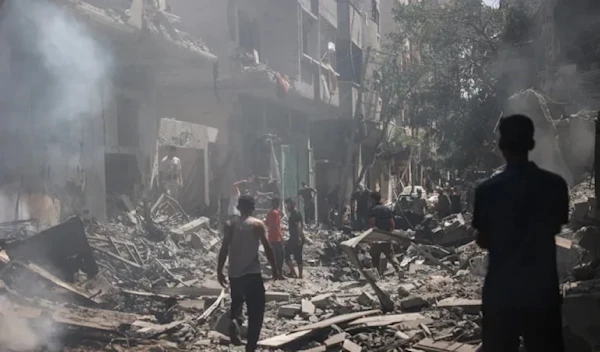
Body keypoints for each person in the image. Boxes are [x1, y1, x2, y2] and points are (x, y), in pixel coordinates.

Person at [473, 114, 569, 352]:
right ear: (531, 144)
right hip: (542, 292)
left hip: (501, 294)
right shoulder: (555, 185)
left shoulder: (487, 191)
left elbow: (483, 240)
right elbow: (556, 227)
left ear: (501, 146)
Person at [217, 195, 280, 352]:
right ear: (252, 208)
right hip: (252, 273)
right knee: (256, 310)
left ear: (238, 208)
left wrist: (219, 270)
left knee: (237, 303)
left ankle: (236, 322)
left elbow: (224, 248)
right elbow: (267, 247)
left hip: (234, 274)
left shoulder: (230, 224)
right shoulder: (257, 225)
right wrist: (274, 268)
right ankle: (250, 346)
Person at [368, 191, 401, 275]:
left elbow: (372, 224)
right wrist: (388, 234)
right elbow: (392, 224)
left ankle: (377, 275)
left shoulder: (372, 210)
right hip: (386, 236)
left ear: (372, 199)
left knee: (375, 258)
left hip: (376, 237)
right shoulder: (386, 209)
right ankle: (399, 269)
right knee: (391, 255)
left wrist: (371, 239)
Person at [284, 198, 306, 279]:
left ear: (292, 204)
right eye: (286, 204)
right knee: (287, 254)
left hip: (296, 238)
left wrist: (299, 237)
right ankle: (293, 272)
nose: (287, 206)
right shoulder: (293, 213)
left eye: (288, 204)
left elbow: (299, 225)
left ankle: (299, 275)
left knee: (297, 256)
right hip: (293, 238)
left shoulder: (295, 213)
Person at [265, 197, 285, 279]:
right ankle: (279, 274)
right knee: (280, 256)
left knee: (275, 256)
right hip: (276, 238)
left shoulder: (270, 213)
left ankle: (276, 273)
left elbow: (267, 223)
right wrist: (281, 236)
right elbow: (276, 226)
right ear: (277, 204)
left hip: (271, 237)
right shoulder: (275, 213)